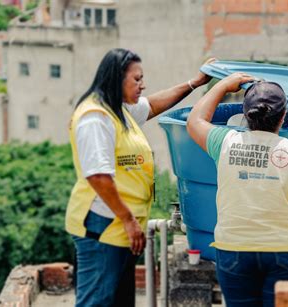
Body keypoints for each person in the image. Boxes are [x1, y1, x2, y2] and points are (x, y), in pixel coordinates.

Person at [65, 48, 212, 306]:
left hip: (120, 226)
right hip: (103, 225)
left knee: (119, 300)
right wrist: (129, 220)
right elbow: (98, 177)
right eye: (136, 79)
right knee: (96, 301)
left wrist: (194, 83)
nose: (142, 85)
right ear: (115, 78)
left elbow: (154, 104)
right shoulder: (95, 118)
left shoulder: (119, 110)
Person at [186, 72, 288, 307]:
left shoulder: (225, 143)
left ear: (245, 115)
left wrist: (223, 85)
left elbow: (194, 121)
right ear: (283, 116)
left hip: (233, 251)